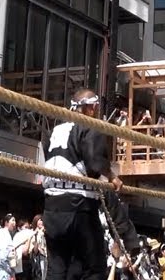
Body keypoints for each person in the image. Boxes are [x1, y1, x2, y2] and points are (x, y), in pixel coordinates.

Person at [42, 89, 124, 280]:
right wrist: (112, 177)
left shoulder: (56, 130)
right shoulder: (87, 125)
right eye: (94, 107)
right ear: (91, 108)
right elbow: (94, 160)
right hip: (78, 205)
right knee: (94, 267)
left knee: (58, 267)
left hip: (52, 208)